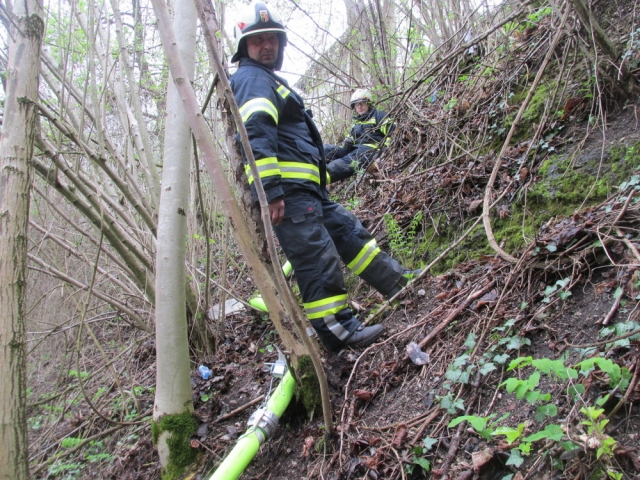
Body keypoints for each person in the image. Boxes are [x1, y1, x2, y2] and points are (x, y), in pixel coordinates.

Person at [229, 2, 416, 352]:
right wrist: (270, 191)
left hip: (308, 192)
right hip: (289, 196)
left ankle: (398, 283)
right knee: (317, 260)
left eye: (272, 39)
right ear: (245, 47)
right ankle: (339, 332)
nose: (267, 46)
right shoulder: (251, 79)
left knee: (349, 233)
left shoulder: (267, 80)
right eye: (258, 41)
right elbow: (255, 132)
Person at [324, 89, 394, 184]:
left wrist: (384, 151)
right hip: (353, 149)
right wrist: (347, 143)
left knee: (337, 166)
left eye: (362, 103)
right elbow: (350, 138)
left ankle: (315, 182)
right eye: (356, 104)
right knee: (325, 149)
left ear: (368, 103)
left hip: (369, 152)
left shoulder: (379, 116)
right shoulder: (357, 123)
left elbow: (393, 133)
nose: (359, 106)